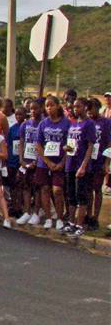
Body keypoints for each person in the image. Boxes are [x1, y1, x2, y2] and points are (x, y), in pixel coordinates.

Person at [61, 98, 96, 238]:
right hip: (70, 163)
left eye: (79, 106)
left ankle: (80, 225)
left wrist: (83, 166)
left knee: (81, 196)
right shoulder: (73, 123)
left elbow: (90, 146)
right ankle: (71, 223)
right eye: (74, 107)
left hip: (81, 166)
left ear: (85, 107)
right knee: (71, 196)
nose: (76, 109)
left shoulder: (89, 124)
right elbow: (71, 143)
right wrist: (66, 147)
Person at [35, 96, 70, 230]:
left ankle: (60, 218)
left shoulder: (66, 123)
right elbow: (38, 144)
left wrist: (62, 162)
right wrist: (47, 161)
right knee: (44, 189)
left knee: (57, 190)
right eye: (47, 106)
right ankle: (49, 218)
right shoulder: (43, 124)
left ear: (58, 105)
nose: (49, 108)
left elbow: (70, 144)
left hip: (60, 162)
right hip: (44, 163)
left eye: (52, 105)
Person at [16, 100, 43, 226]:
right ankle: (26, 212)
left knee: (37, 188)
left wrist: (37, 160)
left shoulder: (43, 124)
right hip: (26, 159)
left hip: (39, 161)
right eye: (31, 109)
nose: (33, 111)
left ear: (41, 109)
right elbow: (21, 142)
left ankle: (36, 213)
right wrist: (21, 159)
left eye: (36, 108)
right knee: (26, 186)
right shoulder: (25, 124)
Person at [86, 98, 110, 230]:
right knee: (88, 189)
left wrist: (106, 162)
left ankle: (95, 217)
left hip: (99, 160)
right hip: (88, 160)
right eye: (87, 110)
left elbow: (109, 143)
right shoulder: (87, 122)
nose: (89, 112)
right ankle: (88, 216)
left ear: (97, 108)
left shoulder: (106, 122)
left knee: (97, 188)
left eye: (91, 110)